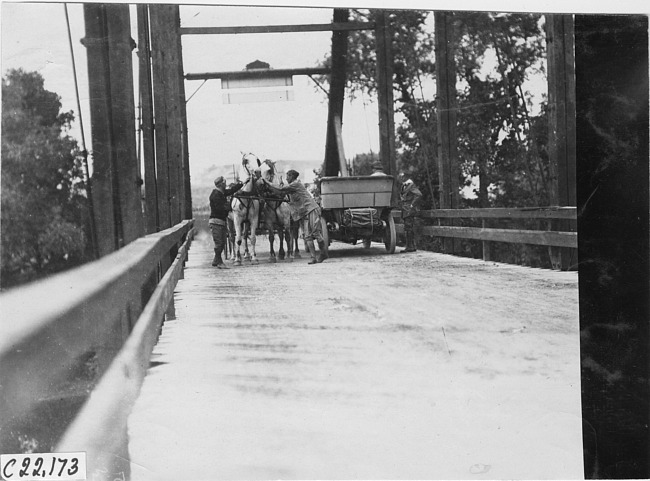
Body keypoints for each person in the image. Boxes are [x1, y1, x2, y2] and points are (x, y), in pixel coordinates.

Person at [262, 169, 327, 265]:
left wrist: (267, 182)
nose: (286, 178)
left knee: (316, 233)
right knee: (308, 236)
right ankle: (313, 258)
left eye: (288, 176)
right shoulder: (291, 187)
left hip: (311, 209)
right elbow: (281, 193)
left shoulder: (296, 184)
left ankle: (323, 253)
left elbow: (281, 189)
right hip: (304, 212)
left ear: (292, 177)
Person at [209, 176, 243, 268]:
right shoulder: (216, 195)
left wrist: (241, 184)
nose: (225, 185)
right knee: (219, 243)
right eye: (224, 183)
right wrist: (228, 208)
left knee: (222, 241)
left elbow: (231, 191)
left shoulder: (220, 192)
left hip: (220, 222)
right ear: (221, 184)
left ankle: (216, 260)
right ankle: (219, 262)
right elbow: (219, 208)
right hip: (216, 222)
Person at [399, 173, 423, 253]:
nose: (401, 178)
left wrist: (412, 204)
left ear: (406, 177)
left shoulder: (411, 185)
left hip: (409, 209)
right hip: (405, 209)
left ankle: (410, 247)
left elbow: (419, 195)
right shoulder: (404, 185)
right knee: (407, 227)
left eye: (402, 176)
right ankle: (410, 246)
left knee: (408, 227)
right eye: (400, 176)